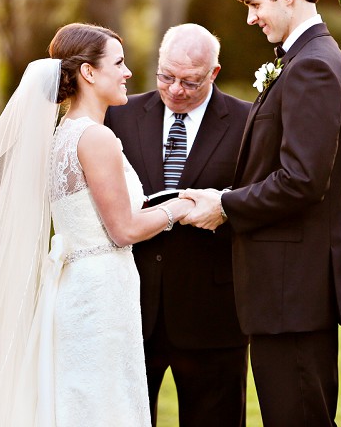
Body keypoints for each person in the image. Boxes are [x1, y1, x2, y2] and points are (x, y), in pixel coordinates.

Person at [0, 23, 194, 427]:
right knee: (101, 403)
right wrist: (183, 205)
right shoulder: (97, 139)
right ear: (88, 73)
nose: (127, 73)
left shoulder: (60, 137)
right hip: (101, 289)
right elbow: (125, 230)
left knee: (74, 398)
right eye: (118, 63)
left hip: (74, 286)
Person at [182, 0, 341, 427]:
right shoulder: (308, 61)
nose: (250, 17)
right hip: (288, 292)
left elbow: (302, 179)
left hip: (292, 291)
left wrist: (226, 205)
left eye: (255, 4)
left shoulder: (314, 67)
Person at [105, 24, 250, 427]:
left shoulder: (248, 121)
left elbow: (258, 201)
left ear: (214, 73)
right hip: (131, 309)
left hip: (215, 315)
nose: (176, 90)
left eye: (190, 81)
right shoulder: (120, 114)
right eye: (166, 76)